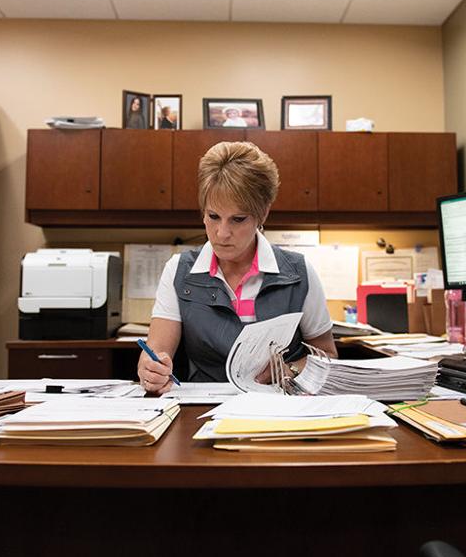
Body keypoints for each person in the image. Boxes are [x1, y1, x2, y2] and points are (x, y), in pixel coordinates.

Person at [138, 141, 336, 393]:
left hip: (280, 407)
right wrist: (151, 371)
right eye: (213, 216)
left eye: (238, 219)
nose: (222, 233)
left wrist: (288, 370)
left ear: (262, 214)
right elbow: (155, 353)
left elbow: (328, 356)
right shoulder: (179, 271)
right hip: (203, 406)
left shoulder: (299, 271)